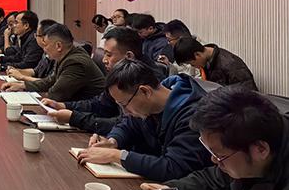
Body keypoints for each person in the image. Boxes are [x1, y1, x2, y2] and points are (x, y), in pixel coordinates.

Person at [139, 87, 289, 190]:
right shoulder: (246, 151)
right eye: (211, 153)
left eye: (220, 155)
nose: (213, 160)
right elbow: (212, 182)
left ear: (261, 149)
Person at [75, 59, 212, 181]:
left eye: (124, 104)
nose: (125, 112)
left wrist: (117, 156)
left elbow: (174, 168)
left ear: (145, 91)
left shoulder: (193, 115)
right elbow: (128, 124)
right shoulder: (150, 106)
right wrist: (112, 141)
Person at [41, 27, 164, 135]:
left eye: (109, 55)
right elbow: (100, 104)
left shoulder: (147, 80)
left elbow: (126, 124)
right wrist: (63, 105)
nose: (104, 60)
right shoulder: (119, 74)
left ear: (129, 56)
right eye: (104, 54)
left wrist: (75, 118)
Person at [1, 23, 105, 102]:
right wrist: (22, 85)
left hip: (87, 113)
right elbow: (49, 81)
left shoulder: (75, 62)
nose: (44, 49)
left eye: (46, 45)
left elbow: (56, 94)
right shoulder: (66, 55)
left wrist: (29, 95)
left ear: (58, 46)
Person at [173, 37, 258, 90]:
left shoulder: (230, 65)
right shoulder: (208, 61)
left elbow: (248, 93)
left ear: (197, 54)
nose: (194, 67)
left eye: (192, 64)